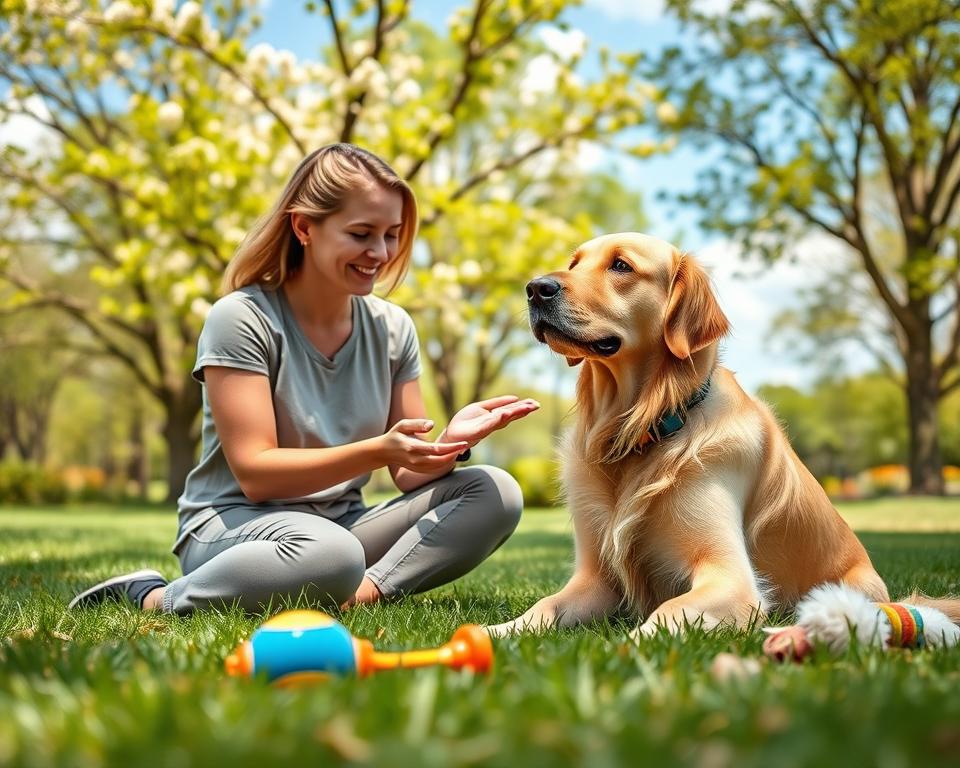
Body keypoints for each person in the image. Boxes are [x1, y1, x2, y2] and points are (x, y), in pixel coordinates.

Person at [69, 143, 539, 615]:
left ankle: (360, 593)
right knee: (330, 553)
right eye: (361, 234)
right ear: (304, 227)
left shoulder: (393, 328)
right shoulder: (241, 318)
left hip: (342, 531)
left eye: (392, 235)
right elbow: (256, 474)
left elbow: (405, 473)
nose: (379, 253)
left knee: (495, 491)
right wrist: (377, 448)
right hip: (234, 526)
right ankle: (153, 596)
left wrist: (449, 444)